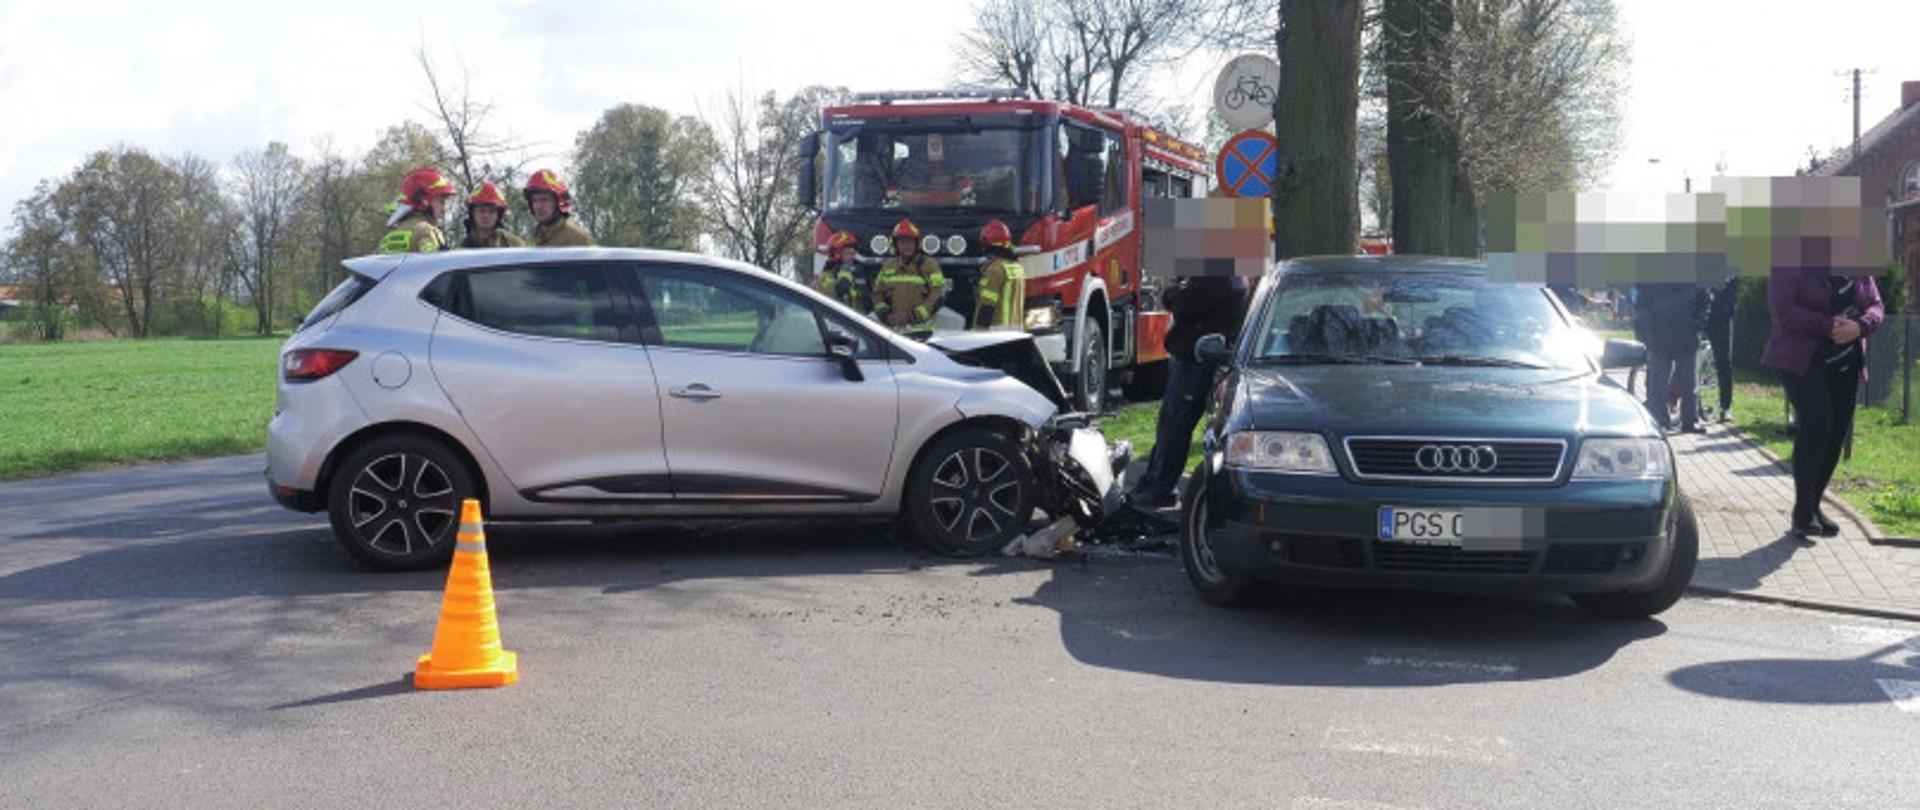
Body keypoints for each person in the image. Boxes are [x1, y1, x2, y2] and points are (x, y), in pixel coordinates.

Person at [1763, 268, 1884, 540]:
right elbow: (1781, 308)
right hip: (1802, 359)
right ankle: (1803, 512)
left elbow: (1876, 305)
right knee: (1818, 424)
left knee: (1836, 433)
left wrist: (1860, 327)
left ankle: (1814, 505)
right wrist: (1827, 326)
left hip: (1846, 360)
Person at [1126, 274, 1250, 510]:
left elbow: (1183, 304)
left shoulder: (1219, 276)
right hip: (1195, 356)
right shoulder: (1227, 273)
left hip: (1199, 360)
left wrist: (1174, 292)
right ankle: (1153, 481)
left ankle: (1160, 488)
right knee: (1170, 424)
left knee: (1175, 425)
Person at [1634, 281, 1708, 433]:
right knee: (1657, 385)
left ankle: (1690, 421)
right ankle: (1659, 421)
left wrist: (1697, 324)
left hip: (1687, 336)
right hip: (1659, 337)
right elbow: (1642, 304)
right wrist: (1647, 332)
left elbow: (1704, 301)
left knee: (1689, 384)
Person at [871, 219, 945, 333]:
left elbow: (938, 295)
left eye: (910, 242)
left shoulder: (929, 265)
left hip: (922, 331)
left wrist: (913, 316)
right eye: (902, 242)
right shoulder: (888, 266)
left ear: (916, 244)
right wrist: (885, 314)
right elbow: (877, 294)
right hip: (893, 331)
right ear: (896, 245)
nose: (906, 246)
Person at [378, 167, 456, 254]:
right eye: (441, 201)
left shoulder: (392, 235)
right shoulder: (426, 231)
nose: (444, 208)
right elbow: (433, 263)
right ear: (424, 201)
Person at [972, 220, 1025, 330]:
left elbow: (987, 304)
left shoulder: (994, 269)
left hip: (996, 333)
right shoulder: (1018, 267)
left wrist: (978, 330)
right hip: (1016, 331)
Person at [523, 169, 595, 247]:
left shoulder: (577, 239)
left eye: (544, 200)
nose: (538, 206)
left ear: (558, 203)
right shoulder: (535, 238)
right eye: (534, 201)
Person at [1705, 276, 1738, 422]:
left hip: (1722, 318)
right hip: (1701, 313)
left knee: (1724, 363)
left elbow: (1733, 290)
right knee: (1685, 355)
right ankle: (1679, 401)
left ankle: (1725, 407)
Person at [459, 182, 524, 249]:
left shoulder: (514, 245)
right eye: (481, 210)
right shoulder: (463, 249)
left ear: (499, 215)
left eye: (491, 211)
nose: (486, 216)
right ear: (472, 213)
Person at [813, 230, 866, 310]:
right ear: (836, 254)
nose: (852, 257)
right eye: (848, 253)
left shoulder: (854, 276)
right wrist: (844, 276)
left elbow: (866, 306)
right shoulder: (825, 278)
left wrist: (862, 284)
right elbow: (832, 305)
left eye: (854, 253)